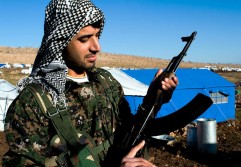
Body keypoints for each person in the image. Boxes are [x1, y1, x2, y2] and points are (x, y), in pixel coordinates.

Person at [2, 0, 179, 166]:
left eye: (97, 36)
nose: (97, 47)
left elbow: (130, 130)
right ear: (60, 41)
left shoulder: (105, 81)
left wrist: (153, 100)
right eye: (84, 39)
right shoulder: (33, 102)